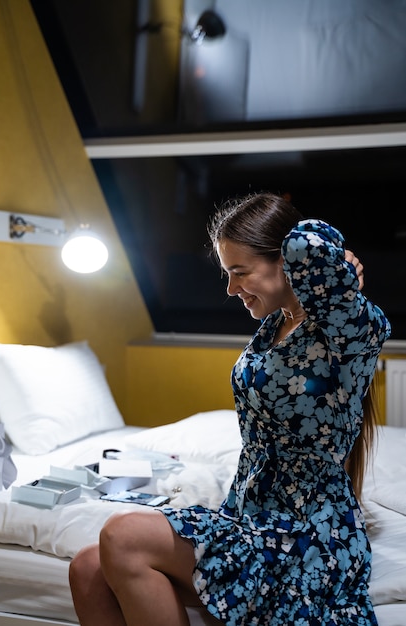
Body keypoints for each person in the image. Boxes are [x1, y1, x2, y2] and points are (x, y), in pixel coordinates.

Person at [69, 191, 391, 626]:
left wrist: (328, 251)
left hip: (306, 537)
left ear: (289, 263)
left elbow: (310, 248)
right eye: (227, 273)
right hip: (247, 516)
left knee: (122, 535)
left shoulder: (346, 332)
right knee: (87, 566)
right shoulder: (276, 324)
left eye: (240, 272)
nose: (230, 288)